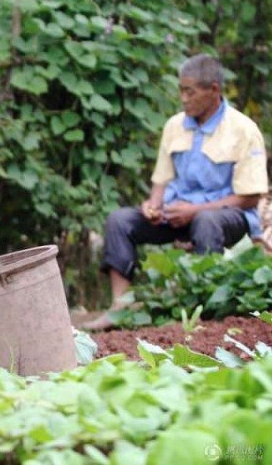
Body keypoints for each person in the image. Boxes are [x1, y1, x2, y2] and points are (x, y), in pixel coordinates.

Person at [84, 53, 268, 331]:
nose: (183, 98)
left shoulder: (243, 129)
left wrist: (195, 211)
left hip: (227, 217)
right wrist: (153, 205)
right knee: (119, 220)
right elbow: (161, 180)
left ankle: (205, 311)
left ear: (214, 90)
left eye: (189, 91)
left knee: (206, 222)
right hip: (176, 213)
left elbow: (250, 197)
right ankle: (118, 308)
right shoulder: (174, 126)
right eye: (181, 90)